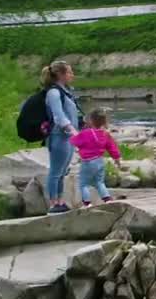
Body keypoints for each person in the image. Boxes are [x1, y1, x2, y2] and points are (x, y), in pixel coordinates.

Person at [41, 61, 80, 214]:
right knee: (56, 171)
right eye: (69, 72)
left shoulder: (65, 91)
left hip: (68, 137)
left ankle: (60, 201)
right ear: (60, 74)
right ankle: (53, 204)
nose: (72, 75)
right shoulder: (53, 93)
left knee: (63, 171)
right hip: (59, 136)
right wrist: (72, 130)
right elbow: (59, 116)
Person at [69, 109, 122, 207]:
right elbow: (113, 148)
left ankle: (87, 203)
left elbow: (74, 141)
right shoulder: (105, 134)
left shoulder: (86, 133)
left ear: (91, 121)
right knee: (99, 182)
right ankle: (107, 199)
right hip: (99, 161)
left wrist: (72, 132)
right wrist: (117, 160)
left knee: (83, 184)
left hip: (87, 162)